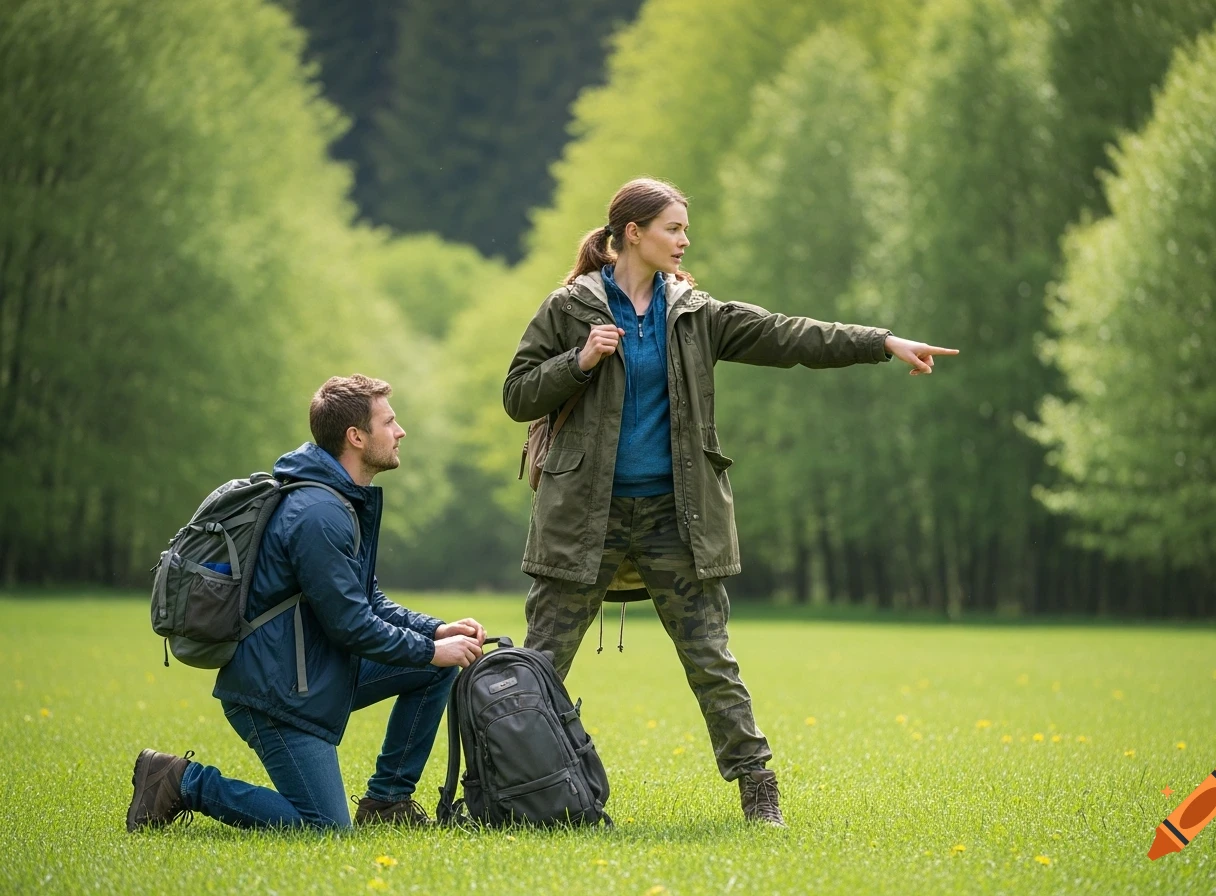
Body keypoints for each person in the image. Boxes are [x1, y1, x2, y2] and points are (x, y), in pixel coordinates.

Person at [503, 177, 957, 826]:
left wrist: (880, 342)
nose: (685, 241)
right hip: (583, 519)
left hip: (676, 519)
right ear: (634, 233)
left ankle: (757, 791)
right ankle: (512, 793)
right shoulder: (569, 309)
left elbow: (790, 336)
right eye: (674, 228)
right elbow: (518, 395)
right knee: (540, 664)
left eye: (685, 229)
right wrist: (577, 361)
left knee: (711, 661)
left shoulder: (696, 313)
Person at [127, 374, 488, 831]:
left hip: (312, 674)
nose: (400, 432)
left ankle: (387, 802)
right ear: (356, 437)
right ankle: (181, 780)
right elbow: (351, 625)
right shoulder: (318, 514)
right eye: (390, 422)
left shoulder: (337, 500)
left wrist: (436, 633)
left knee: (433, 667)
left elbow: (368, 599)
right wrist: (433, 648)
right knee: (324, 827)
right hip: (274, 693)